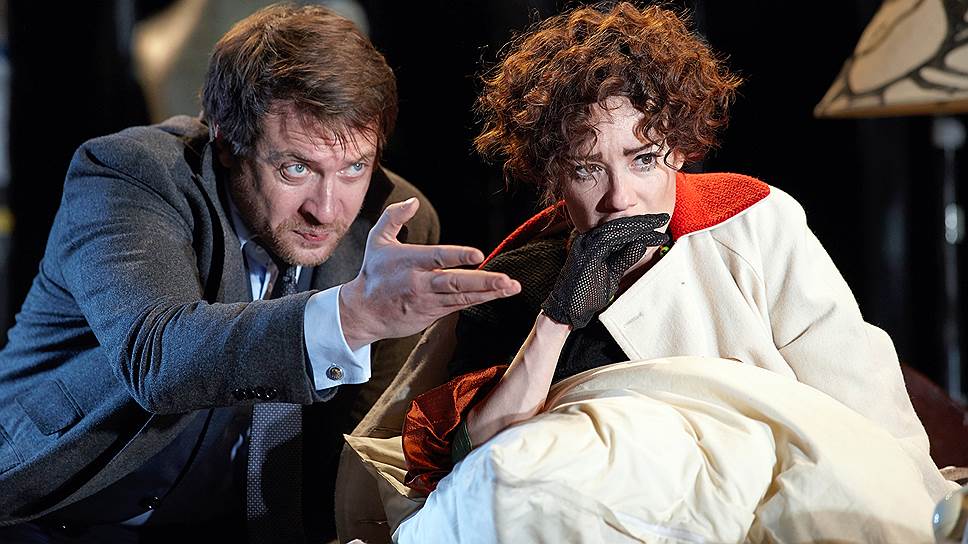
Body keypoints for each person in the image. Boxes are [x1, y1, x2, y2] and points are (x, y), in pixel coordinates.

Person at [0, 3, 520, 542]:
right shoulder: (131, 175)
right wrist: (350, 317)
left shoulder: (395, 221)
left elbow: (367, 433)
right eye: (296, 168)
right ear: (227, 142)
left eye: (354, 167)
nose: (326, 209)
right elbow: (159, 358)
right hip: (52, 512)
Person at [397, 1, 952, 503]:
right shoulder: (517, 276)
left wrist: (919, 512)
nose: (620, 197)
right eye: (588, 170)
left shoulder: (752, 223)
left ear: (680, 149)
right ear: (552, 173)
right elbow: (470, 466)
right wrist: (559, 315)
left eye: (643, 159)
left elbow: (860, 395)